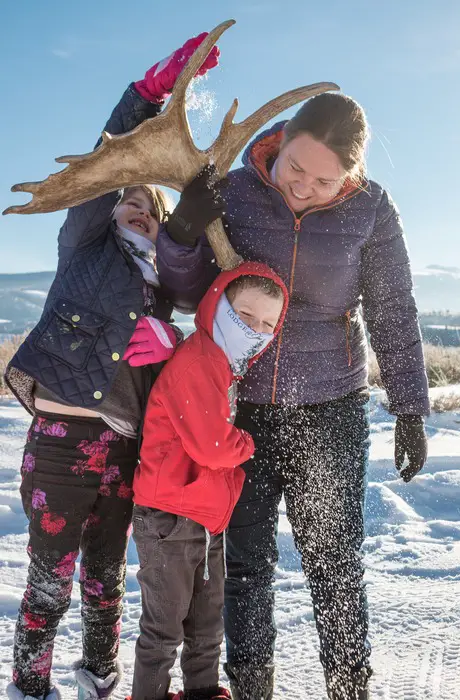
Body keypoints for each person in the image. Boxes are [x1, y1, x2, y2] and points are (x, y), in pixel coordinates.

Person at [153, 92, 431, 699]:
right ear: (279, 144)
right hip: (240, 406)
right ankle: (252, 689)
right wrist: (179, 233)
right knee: (246, 566)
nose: (303, 187)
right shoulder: (235, 187)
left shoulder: (373, 210)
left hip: (330, 406)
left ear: (350, 177)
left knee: (334, 563)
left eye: (324, 182)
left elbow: (392, 309)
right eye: (294, 169)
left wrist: (410, 406)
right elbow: (184, 290)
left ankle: (348, 687)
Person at [5, 33, 221, 700]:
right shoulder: (85, 248)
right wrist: (146, 93)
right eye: (126, 197)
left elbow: (212, 327)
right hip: (63, 442)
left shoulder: (167, 290)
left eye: (148, 205)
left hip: (126, 452)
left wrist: (174, 340)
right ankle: (29, 688)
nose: (136, 204)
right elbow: (106, 159)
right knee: (50, 580)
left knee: (105, 582)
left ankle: (100, 681)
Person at [126, 264, 288, 700]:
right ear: (218, 307)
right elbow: (213, 446)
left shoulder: (224, 364)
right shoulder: (200, 360)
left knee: (206, 626)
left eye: (268, 324)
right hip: (169, 515)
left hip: (202, 515)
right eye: (245, 316)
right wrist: (248, 445)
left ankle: (202, 692)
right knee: (163, 629)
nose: (256, 330)